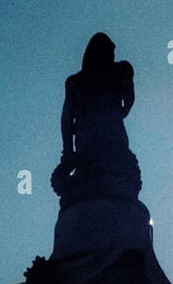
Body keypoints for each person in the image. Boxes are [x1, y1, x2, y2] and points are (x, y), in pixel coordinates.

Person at [51, 33, 141, 202]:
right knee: (114, 172)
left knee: (91, 173)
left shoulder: (75, 81)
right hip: (111, 130)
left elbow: (67, 121)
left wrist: (68, 151)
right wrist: (118, 113)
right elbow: (129, 99)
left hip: (87, 132)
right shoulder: (119, 70)